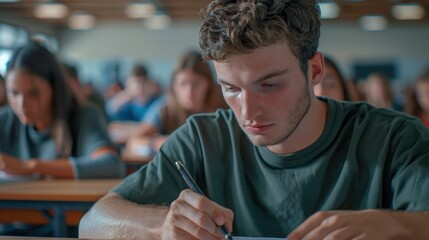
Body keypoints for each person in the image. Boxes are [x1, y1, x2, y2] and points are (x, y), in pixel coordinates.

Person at [79, 0, 429, 239]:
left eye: (270, 85)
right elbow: (92, 223)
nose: (247, 112)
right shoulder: (203, 138)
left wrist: (396, 225)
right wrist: (162, 225)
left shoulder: (394, 138)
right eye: (231, 88)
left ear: (315, 70)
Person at [0, 41, 124, 179]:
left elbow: (111, 166)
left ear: (53, 88)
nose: (21, 104)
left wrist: (30, 166)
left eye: (33, 93)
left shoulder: (84, 116)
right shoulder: (4, 120)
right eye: (14, 93)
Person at [124, 50, 227, 157]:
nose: (189, 91)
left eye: (196, 83)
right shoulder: (165, 108)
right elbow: (134, 142)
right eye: (183, 83)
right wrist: (161, 143)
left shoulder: (223, 109)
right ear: (174, 86)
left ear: (209, 84)